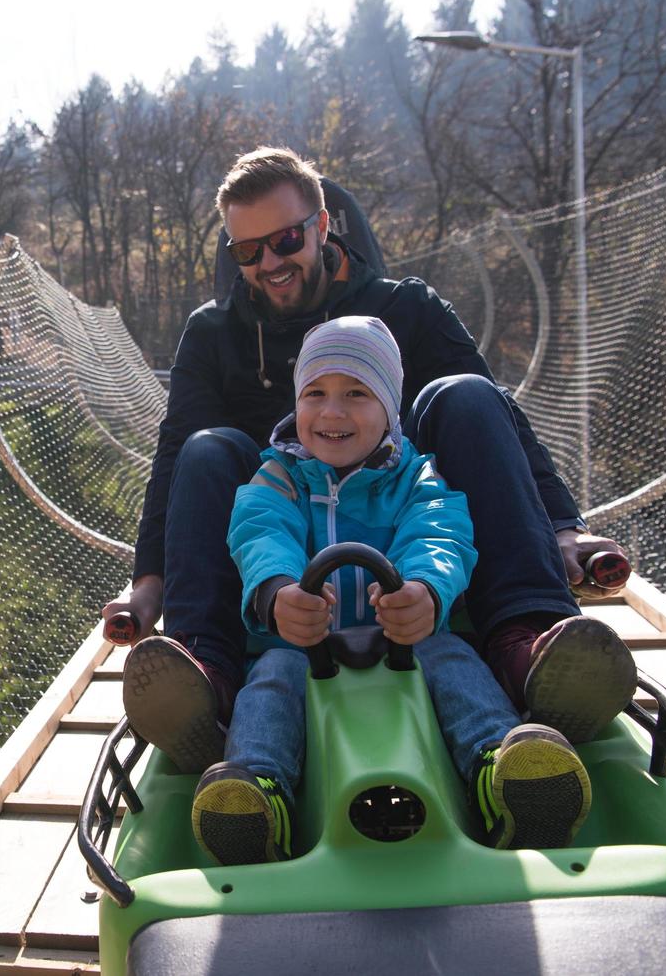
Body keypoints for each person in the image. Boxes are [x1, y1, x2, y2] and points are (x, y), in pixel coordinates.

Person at [106, 146, 635, 774]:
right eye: (246, 251)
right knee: (205, 446)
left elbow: (500, 422)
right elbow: (174, 463)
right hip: (275, 541)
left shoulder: (407, 308)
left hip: (404, 529)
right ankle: (207, 675)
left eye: (284, 240)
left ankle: (530, 643)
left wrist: (563, 526)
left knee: (465, 394)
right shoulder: (215, 334)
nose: (269, 263)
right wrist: (148, 584)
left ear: (323, 226)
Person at [190, 315, 590, 865]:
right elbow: (259, 530)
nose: (332, 412)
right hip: (305, 642)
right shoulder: (279, 475)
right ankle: (256, 793)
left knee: (454, 662)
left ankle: (502, 766)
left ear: (389, 410)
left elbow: (439, 532)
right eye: (315, 393)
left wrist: (426, 590)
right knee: (271, 683)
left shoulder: (416, 477)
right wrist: (277, 592)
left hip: (405, 636)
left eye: (357, 392)